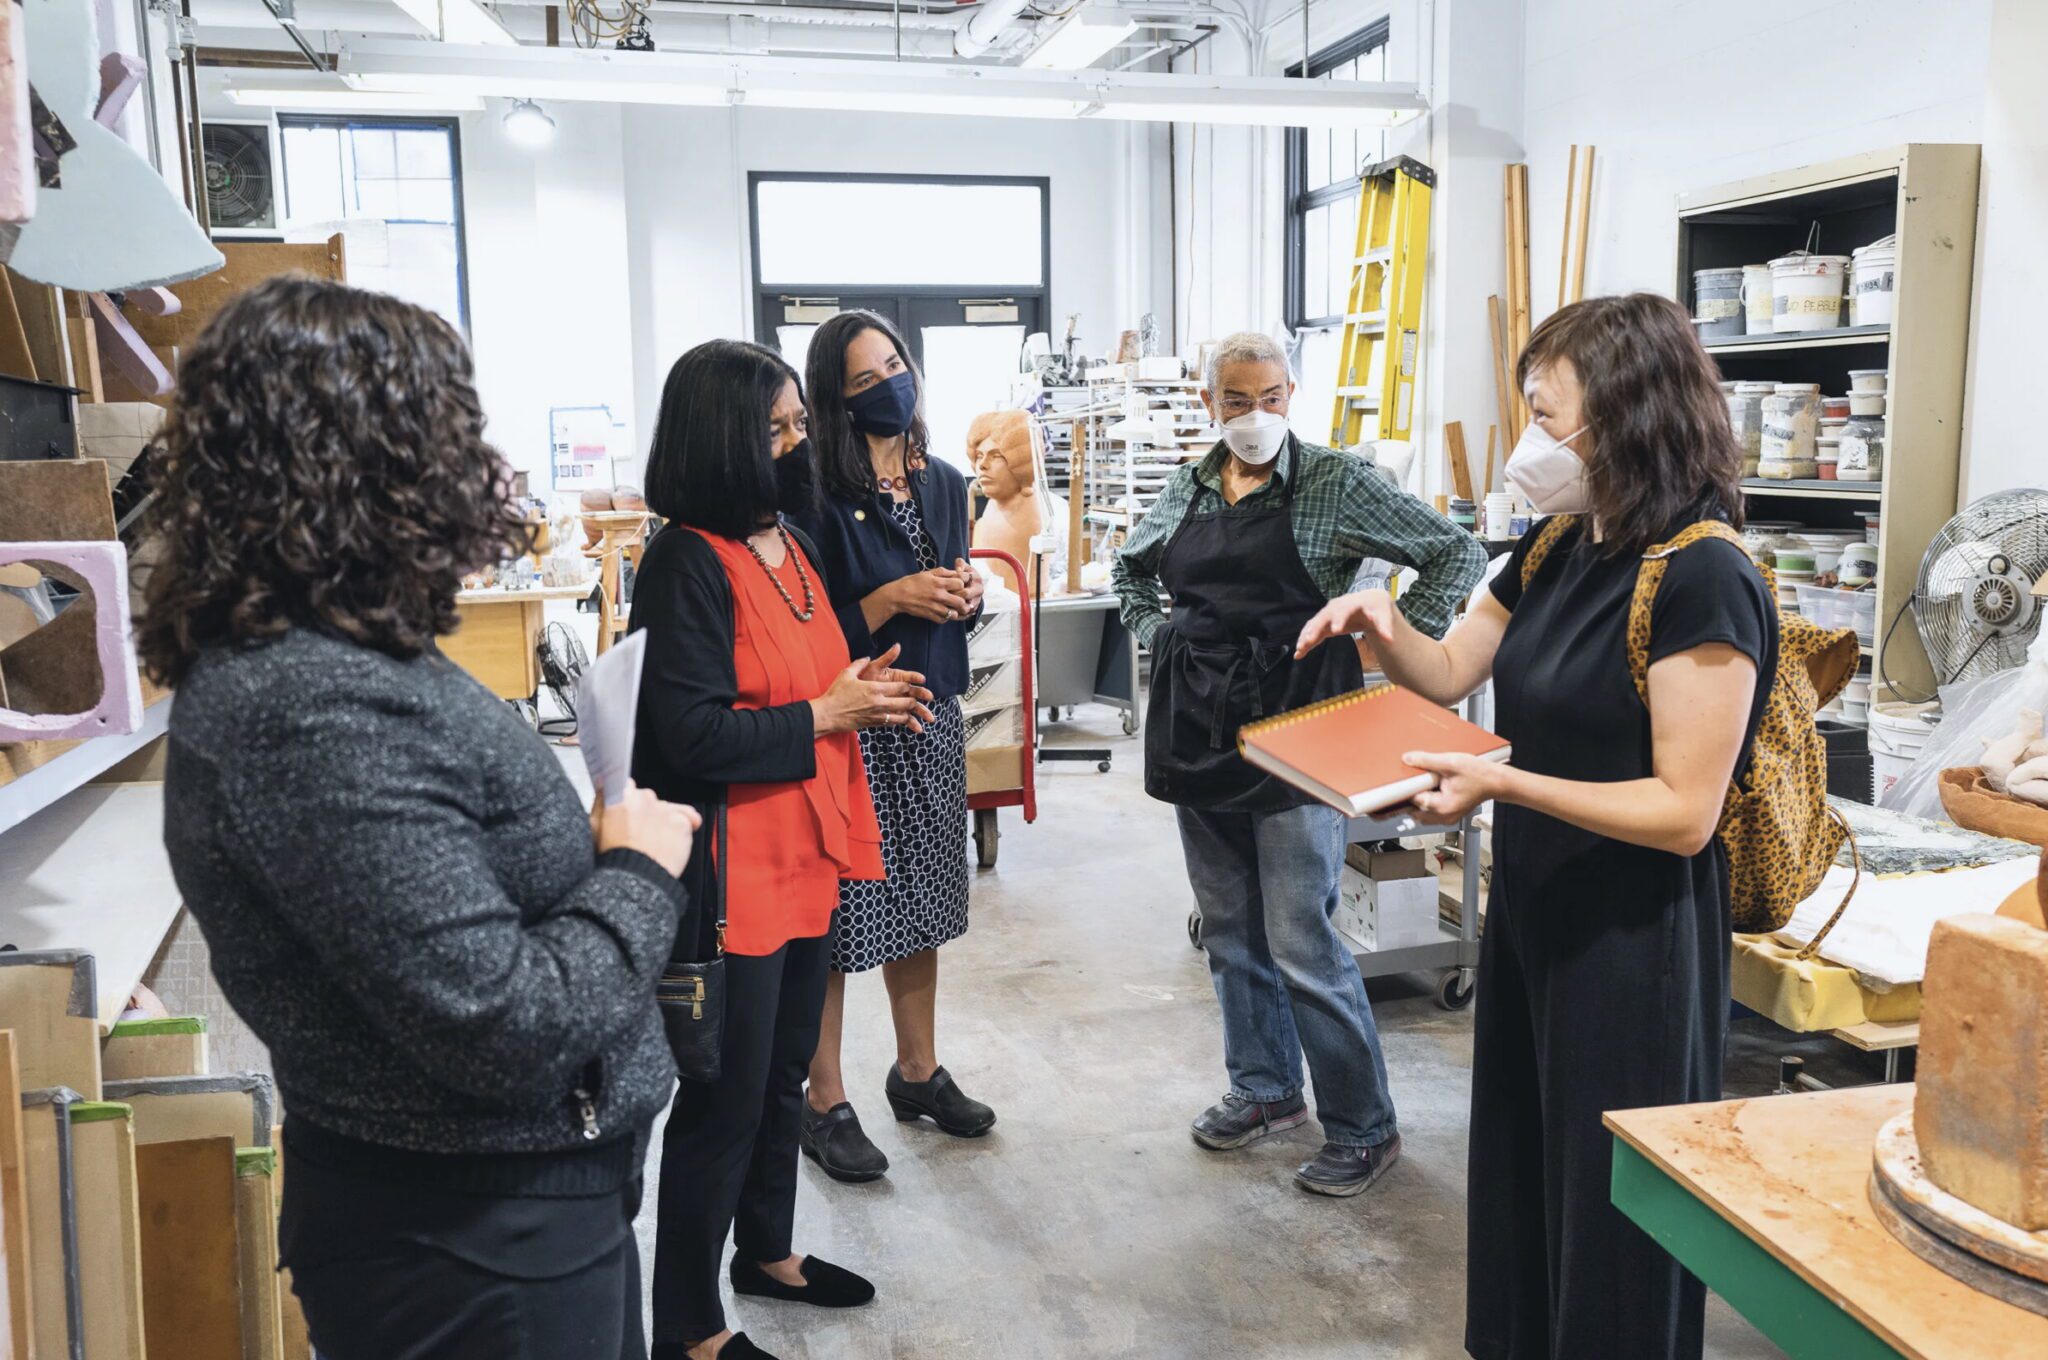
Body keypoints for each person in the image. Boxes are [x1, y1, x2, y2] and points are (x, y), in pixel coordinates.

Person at [144, 276, 701, 1360]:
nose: (478, 465)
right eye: (451, 430)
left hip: (497, 1209)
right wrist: (636, 874)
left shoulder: (331, 656)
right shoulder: (312, 705)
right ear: (367, 459)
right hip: (474, 1235)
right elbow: (502, 1026)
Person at [1295, 293, 1778, 1358]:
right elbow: (1448, 671)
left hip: (1633, 939)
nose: (1530, 438)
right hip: (1536, 911)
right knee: (1526, 1174)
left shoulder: (1703, 574)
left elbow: (1683, 812)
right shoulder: (1557, 544)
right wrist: (1382, 624)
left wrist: (1502, 786)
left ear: (1625, 414)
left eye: (1546, 413)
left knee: (1612, 1216)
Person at [1113, 330, 1486, 1197]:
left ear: (1292, 394)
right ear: (1209, 403)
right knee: (1229, 930)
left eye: (1271, 398)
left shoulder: (1334, 481)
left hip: (1301, 730)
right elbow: (1130, 573)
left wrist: (1389, 643)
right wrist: (1159, 634)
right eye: (1237, 401)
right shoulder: (1189, 484)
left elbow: (1455, 552)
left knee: (1301, 938)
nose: (1255, 416)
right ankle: (1266, 1090)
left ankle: (1364, 1126)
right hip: (1199, 727)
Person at [631, 339, 934, 1360]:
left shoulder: (790, 541)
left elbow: (808, 670)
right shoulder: (685, 561)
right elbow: (687, 735)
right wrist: (824, 712)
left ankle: (766, 1251)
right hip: (734, 875)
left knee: (779, 1079)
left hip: (806, 855)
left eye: (800, 422)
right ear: (720, 438)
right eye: (776, 429)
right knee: (722, 1098)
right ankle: (688, 1326)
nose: (799, 442)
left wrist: (860, 692)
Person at [785, 310, 994, 1185]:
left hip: (930, 715)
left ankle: (916, 1071)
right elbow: (803, 630)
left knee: (926, 903)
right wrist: (891, 599)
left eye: (895, 366)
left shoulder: (943, 482)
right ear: (835, 398)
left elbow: (954, 595)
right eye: (865, 380)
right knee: (841, 916)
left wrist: (965, 594)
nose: (888, 387)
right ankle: (823, 1096)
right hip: (853, 725)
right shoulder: (811, 494)